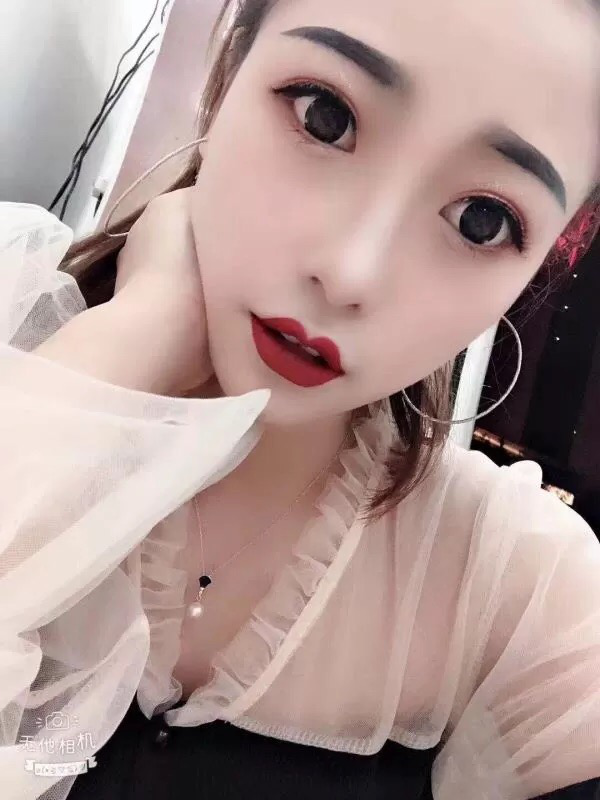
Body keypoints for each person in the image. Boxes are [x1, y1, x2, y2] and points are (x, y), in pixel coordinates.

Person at [1, 0, 599, 798]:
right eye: (325, 117)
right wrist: (134, 340)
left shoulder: (523, 590)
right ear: (228, 67)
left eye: (482, 221)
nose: (351, 271)